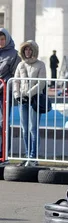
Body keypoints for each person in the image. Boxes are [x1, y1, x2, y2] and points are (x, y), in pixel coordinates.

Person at [12, 40, 46, 166]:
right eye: (26, 49)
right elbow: (16, 81)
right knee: (24, 129)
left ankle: (33, 156)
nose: (28, 52)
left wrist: (28, 93)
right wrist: (17, 95)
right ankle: (27, 155)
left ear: (34, 51)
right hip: (23, 101)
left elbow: (41, 82)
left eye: (30, 49)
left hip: (34, 100)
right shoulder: (20, 65)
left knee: (33, 128)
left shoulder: (40, 64)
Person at [0, 28, 21, 161]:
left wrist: (4, 85)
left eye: (2, 39)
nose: (0, 42)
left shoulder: (14, 55)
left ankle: (3, 154)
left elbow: (15, 76)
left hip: (4, 94)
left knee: (2, 123)